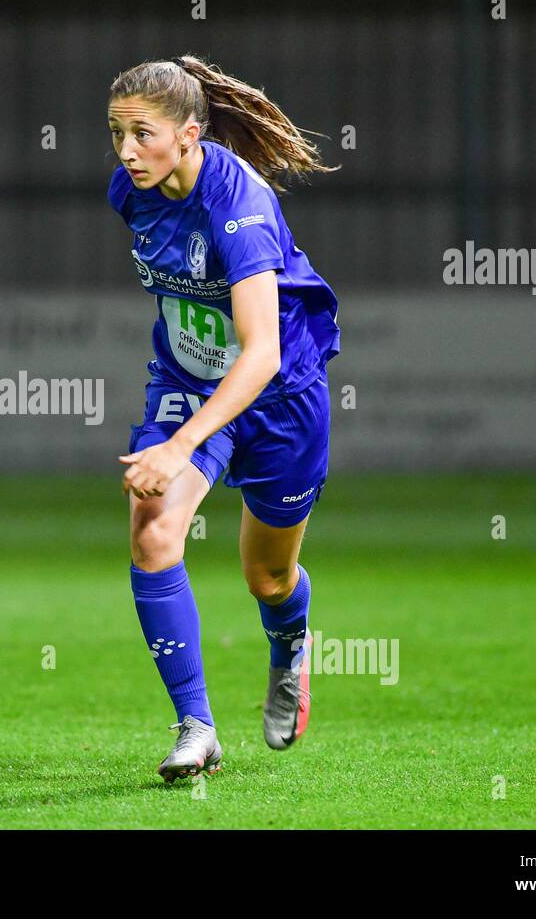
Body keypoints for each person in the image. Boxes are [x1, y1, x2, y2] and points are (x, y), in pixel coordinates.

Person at [107, 55, 341, 782]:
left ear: (190, 135)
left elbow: (261, 353)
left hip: (278, 396)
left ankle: (291, 648)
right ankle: (196, 727)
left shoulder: (238, 203)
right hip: (184, 379)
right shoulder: (130, 191)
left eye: (142, 134)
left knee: (267, 579)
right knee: (153, 533)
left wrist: (180, 445)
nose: (125, 152)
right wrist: (177, 426)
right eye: (115, 133)